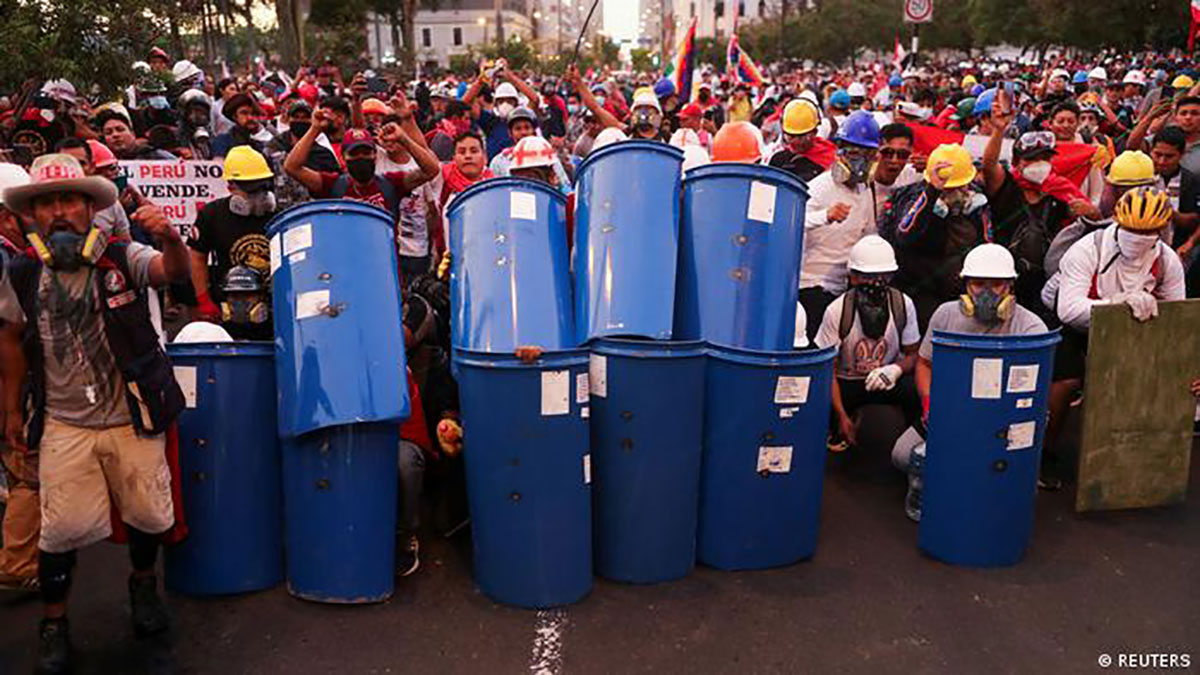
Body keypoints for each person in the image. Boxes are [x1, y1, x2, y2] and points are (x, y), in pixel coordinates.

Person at [0, 154, 190, 673]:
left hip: (131, 414)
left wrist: (171, 239)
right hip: (65, 422)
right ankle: (54, 624)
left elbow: (170, 272)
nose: (59, 213)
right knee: (59, 532)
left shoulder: (122, 257)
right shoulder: (20, 271)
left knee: (149, 515)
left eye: (68, 200)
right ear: (32, 216)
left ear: (89, 209)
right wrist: (12, 408)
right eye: (47, 203)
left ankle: (143, 586)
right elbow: (12, 340)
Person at [1046, 187, 1186, 486]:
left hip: (1131, 327)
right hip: (1075, 324)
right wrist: (1116, 305)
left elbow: (1177, 317)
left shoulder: (1168, 260)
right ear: (1118, 223)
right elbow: (1069, 309)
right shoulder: (1086, 250)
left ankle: (1134, 455)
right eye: (1132, 230)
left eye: (1147, 232)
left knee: (1147, 376)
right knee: (1065, 380)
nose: (1139, 238)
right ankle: (1046, 450)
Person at [908, 244, 1050, 520]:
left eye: (996, 284)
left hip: (1001, 419)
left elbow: (1034, 394)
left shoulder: (1030, 328)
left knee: (998, 474)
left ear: (1010, 286)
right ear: (965, 285)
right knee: (904, 457)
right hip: (954, 411)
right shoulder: (946, 315)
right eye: (978, 284)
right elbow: (924, 363)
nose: (986, 292)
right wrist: (929, 405)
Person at [815, 236, 922, 452]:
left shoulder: (903, 304)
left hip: (886, 380)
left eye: (883, 276)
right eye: (868, 276)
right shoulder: (837, 311)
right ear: (853, 277)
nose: (876, 283)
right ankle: (842, 420)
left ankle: (915, 440)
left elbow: (916, 356)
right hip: (848, 382)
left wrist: (895, 369)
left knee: (915, 390)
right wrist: (841, 416)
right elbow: (827, 371)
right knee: (822, 411)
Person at [882, 143, 993, 328]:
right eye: (949, 189)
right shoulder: (913, 196)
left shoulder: (976, 201)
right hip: (919, 289)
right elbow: (904, 234)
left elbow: (987, 244)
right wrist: (932, 193)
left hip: (960, 289)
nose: (957, 194)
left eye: (961, 186)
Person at [798, 110, 882, 343]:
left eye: (866, 154)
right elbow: (793, 223)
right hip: (811, 288)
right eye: (853, 152)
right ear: (840, 151)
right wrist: (825, 216)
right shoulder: (819, 187)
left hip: (845, 290)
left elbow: (868, 233)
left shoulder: (865, 190)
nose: (858, 161)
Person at [187, 146, 279, 338]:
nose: (258, 195)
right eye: (250, 190)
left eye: (262, 187)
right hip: (229, 309)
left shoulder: (279, 215)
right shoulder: (212, 215)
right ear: (231, 186)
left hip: (274, 309)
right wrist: (203, 300)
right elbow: (197, 257)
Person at [0, 163, 38, 593]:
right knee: (28, 473)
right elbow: (10, 336)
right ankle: (19, 565)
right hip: (9, 381)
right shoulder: (8, 261)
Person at [463, 67, 541, 160]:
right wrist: (482, 79)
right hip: (496, 171)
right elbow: (466, 102)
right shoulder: (490, 122)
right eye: (501, 101)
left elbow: (534, 99)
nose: (505, 104)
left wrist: (510, 76)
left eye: (509, 101)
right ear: (495, 103)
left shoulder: (523, 119)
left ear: (516, 103)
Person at [767, 99, 835, 184]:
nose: (794, 142)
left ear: (815, 132)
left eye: (800, 137)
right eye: (790, 136)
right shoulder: (778, 160)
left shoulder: (830, 161)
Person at [210, 93, 275, 159]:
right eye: (244, 113)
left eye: (253, 114)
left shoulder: (261, 144)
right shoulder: (223, 141)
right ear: (234, 116)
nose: (250, 117)